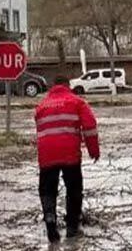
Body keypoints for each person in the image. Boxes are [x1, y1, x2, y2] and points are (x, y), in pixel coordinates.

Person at [34, 75, 99, 242]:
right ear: (68, 85)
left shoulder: (41, 105)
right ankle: (72, 227)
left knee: (47, 190)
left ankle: (50, 220)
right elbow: (90, 126)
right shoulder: (77, 102)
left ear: (53, 86)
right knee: (74, 189)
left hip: (47, 154)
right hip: (70, 153)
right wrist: (93, 151)